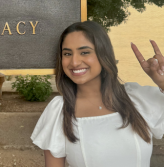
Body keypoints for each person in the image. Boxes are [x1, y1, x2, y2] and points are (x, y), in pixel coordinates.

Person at [31, 21, 164, 167]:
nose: (74, 62)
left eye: (84, 52)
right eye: (67, 54)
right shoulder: (59, 112)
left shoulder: (138, 98)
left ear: (103, 53)